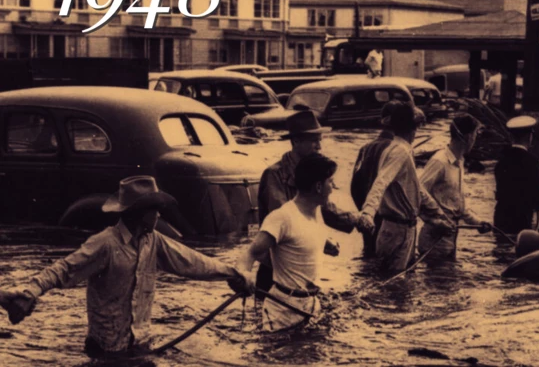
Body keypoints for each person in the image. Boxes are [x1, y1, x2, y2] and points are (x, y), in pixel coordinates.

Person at [0, 176, 252, 357]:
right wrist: (29, 293)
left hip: (140, 346)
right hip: (106, 352)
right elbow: (64, 270)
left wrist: (232, 274)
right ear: (138, 212)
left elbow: (192, 261)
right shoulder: (104, 244)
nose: (159, 216)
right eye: (155, 211)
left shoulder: (154, 242)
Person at [257, 111, 371, 297]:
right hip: (276, 267)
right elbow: (284, 220)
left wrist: (356, 219)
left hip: (301, 263)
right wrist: (321, 240)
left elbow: (325, 207)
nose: (319, 146)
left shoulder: (315, 172)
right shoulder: (274, 174)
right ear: (296, 142)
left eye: (319, 140)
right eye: (313, 141)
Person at [239, 154, 339, 332]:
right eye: (330, 182)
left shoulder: (316, 211)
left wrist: (325, 243)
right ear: (318, 186)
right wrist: (244, 275)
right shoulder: (282, 217)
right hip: (282, 311)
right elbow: (251, 252)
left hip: (311, 305)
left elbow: (301, 236)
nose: (333, 188)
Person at [358, 102, 454, 273]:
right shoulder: (399, 152)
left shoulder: (399, 149)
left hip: (402, 229)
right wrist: (367, 212)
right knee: (392, 285)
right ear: (414, 128)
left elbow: (418, 191)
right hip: (397, 231)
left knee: (401, 284)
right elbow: (381, 182)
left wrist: (439, 217)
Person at [351, 101, 425, 257]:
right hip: (388, 218)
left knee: (370, 259)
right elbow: (384, 183)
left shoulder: (366, 147)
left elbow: (355, 185)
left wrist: (365, 212)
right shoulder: (398, 149)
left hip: (371, 216)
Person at [418, 115, 492, 260]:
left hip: (450, 237)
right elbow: (417, 192)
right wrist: (434, 221)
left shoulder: (459, 162)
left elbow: (458, 206)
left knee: (448, 279)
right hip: (434, 239)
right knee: (437, 278)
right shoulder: (439, 162)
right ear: (467, 136)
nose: (475, 140)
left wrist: (478, 223)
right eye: (475, 134)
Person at [493, 116, 539, 234]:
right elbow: (536, 192)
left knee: (501, 246)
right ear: (530, 137)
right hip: (521, 218)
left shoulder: (501, 161)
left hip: (501, 217)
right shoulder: (532, 162)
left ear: (512, 137)